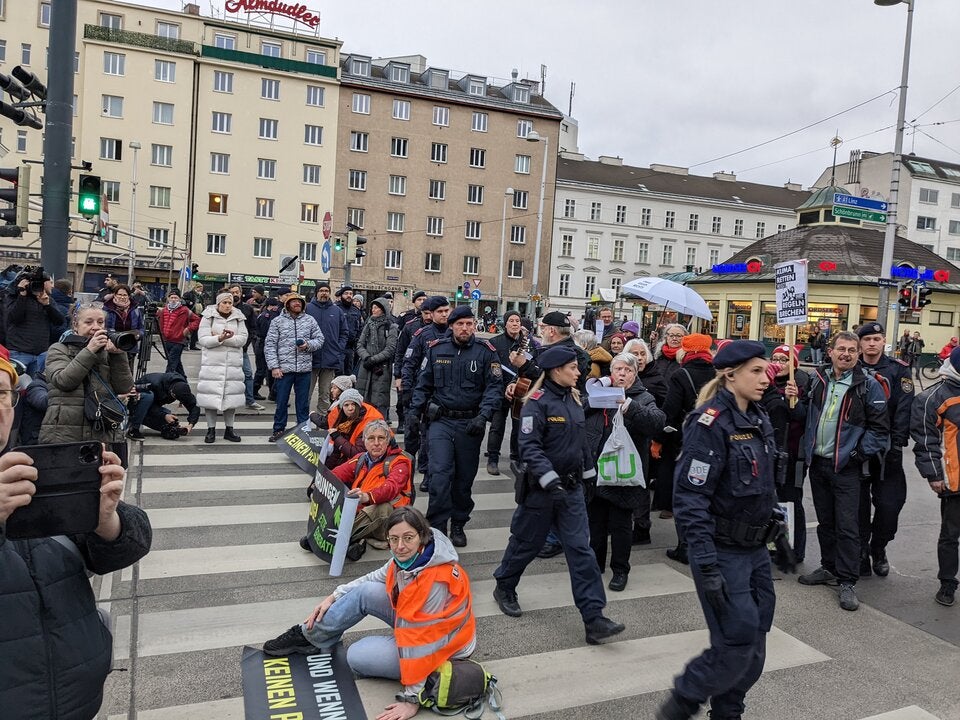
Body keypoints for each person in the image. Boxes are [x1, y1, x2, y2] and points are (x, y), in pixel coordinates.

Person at [0, 345, 152, 720]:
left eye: (1, 393)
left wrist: (104, 519)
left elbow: (120, 549)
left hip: (74, 698)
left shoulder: (21, 467)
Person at [656, 340, 785, 720]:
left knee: (755, 643)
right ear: (730, 374)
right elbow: (690, 500)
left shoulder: (758, 417)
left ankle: (728, 710)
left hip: (756, 550)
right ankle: (682, 702)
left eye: (766, 370)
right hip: (722, 550)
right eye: (756, 371)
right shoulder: (709, 423)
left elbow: (764, 486)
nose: (766, 378)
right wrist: (707, 564)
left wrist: (781, 530)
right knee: (736, 640)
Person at [263, 507, 476, 720]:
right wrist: (334, 596)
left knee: (356, 656)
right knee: (365, 592)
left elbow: (422, 640)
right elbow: (372, 578)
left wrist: (412, 699)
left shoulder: (434, 580)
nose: (400, 546)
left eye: (408, 538)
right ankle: (310, 636)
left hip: (445, 645)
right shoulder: (411, 558)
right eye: (394, 539)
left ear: (422, 536)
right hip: (419, 626)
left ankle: (428, 672)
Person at [491, 345, 626, 645]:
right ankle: (504, 585)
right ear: (556, 371)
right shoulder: (537, 403)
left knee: (582, 552)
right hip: (541, 491)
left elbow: (581, 446)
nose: (579, 372)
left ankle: (594, 619)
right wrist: (550, 480)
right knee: (526, 543)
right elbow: (530, 448)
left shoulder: (573, 400)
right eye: (573, 368)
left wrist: (590, 474)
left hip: (572, 491)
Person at [793, 331, 888, 611]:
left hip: (846, 467)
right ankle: (829, 567)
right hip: (819, 464)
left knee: (848, 527)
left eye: (852, 350)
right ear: (830, 352)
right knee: (826, 522)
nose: (846, 354)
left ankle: (847, 581)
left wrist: (856, 455)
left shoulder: (868, 386)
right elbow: (804, 417)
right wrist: (794, 401)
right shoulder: (817, 380)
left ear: (858, 355)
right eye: (841, 349)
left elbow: (880, 431)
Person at [409, 305, 502, 546]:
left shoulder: (485, 352)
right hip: (441, 422)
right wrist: (415, 411)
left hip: (470, 423)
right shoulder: (436, 349)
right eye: (460, 324)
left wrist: (483, 416)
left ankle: (458, 523)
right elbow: (424, 384)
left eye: (469, 324)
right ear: (451, 326)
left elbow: (494, 387)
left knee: (463, 479)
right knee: (439, 475)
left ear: (474, 326)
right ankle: (437, 527)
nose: (465, 328)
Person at [585, 353, 665, 589]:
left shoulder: (644, 397)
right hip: (597, 470)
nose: (622, 374)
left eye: (627, 370)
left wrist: (630, 407)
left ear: (635, 374)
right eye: (618, 369)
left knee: (620, 526)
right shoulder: (600, 392)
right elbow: (579, 412)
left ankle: (620, 570)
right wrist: (596, 392)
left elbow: (657, 422)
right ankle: (595, 564)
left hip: (623, 473)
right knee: (595, 523)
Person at [40, 303, 136, 454]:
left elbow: (124, 388)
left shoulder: (107, 353)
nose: (96, 327)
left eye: (100, 322)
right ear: (75, 325)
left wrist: (119, 355)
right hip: (65, 432)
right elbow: (63, 381)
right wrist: (90, 350)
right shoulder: (58, 349)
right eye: (88, 322)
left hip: (101, 430)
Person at [857, 322, 914, 577]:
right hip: (856, 449)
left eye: (876, 339)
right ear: (860, 343)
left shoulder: (897, 370)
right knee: (856, 507)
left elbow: (904, 407)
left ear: (883, 342)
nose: (871, 343)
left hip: (887, 450)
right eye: (867, 339)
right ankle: (859, 552)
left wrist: (897, 442)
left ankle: (878, 548)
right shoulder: (851, 367)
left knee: (890, 506)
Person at [911, 346, 960, 607]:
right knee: (950, 536)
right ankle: (948, 582)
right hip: (955, 481)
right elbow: (926, 440)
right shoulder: (935, 396)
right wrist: (933, 475)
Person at [327, 420, 414, 560]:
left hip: (391, 521)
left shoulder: (400, 462)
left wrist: (368, 496)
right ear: (365, 441)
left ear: (388, 441)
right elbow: (336, 475)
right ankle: (358, 540)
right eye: (371, 438)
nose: (376, 443)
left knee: (381, 507)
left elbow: (391, 488)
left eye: (381, 438)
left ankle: (336, 539)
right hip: (363, 514)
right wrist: (319, 484)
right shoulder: (361, 458)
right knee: (336, 496)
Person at [660, 333, 716, 544]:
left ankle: (685, 544)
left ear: (687, 350)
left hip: (684, 435)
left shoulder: (681, 374)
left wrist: (660, 436)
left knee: (685, 487)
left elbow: (670, 410)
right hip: (710, 434)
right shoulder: (717, 373)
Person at [765, 344, 810, 562]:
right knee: (772, 500)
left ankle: (794, 550)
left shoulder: (802, 383)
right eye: (775, 358)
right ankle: (774, 545)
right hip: (771, 453)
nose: (779, 363)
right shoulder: (766, 383)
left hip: (793, 454)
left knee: (791, 501)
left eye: (784, 360)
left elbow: (803, 418)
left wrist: (795, 401)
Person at [402, 296, 451, 493]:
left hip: (441, 396)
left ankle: (428, 474)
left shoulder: (452, 333)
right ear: (431, 313)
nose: (444, 315)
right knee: (412, 434)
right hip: (419, 392)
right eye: (440, 311)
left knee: (431, 438)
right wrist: (405, 389)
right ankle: (407, 473)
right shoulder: (422, 334)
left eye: (447, 311)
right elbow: (409, 363)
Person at [265, 293, 324, 442]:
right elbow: (270, 345)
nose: (297, 304)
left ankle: (303, 431)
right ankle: (278, 430)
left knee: (303, 403)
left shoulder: (310, 320)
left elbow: (320, 339)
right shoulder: (277, 321)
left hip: (304, 370)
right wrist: (274, 366)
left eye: (299, 302)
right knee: (282, 402)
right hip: (284, 370)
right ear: (288, 304)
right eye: (294, 302)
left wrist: (308, 345)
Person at [487, 311, 536, 475]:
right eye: (511, 321)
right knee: (497, 425)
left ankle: (516, 457)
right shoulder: (494, 342)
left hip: (521, 389)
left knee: (518, 426)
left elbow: (531, 363)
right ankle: (493, 458)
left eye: (517, 320)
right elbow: (491, 368)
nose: (515, 323)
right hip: (500, 390)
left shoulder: (528, 343)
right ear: (505, 324)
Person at [196, 292, 248, 444]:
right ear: (218, 304)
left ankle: (229, 430)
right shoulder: (208, 316)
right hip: (212, 364)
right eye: (224, 303)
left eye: (229, 303)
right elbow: (203, 339)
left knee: (230, 399)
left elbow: (242, 339)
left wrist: (224, 338)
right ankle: (210, 430)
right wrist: (220, 338)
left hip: (232, 365)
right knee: (210, 399)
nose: (227, 305)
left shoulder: (239, 317)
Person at [3, 268, 63, 376]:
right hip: (19, 353)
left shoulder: (47, 300)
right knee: (17, 387)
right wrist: (22, 295)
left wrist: (47, 305)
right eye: (51, 282)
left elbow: (59, 321)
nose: (52, 286)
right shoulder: (15, 297)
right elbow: (14, 318)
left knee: (36, 388)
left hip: (41, 354)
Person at [306, 281, 348, 415]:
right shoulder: (307, 309)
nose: (324, 293)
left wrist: (338, 348)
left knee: (325, 394)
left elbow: (344, 332)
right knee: (306, 393)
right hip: (309, 358)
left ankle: (323, 422)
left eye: (326, 291)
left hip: (330, 359)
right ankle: (303, 422)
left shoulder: (337, 311)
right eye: (321, 291)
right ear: (316, 293)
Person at [356, 297, 398, 421]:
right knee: (363, 398)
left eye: (377, 308)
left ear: (383, 309)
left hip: (382, 368)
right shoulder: (368, 324)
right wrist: (366, 357)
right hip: (366, 367)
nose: (374, 310)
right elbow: (360, 344)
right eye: (372, 307)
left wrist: (373, 360)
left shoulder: (391, 326)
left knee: (379, 400)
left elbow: (390, 349)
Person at [322, 388, 384, 470]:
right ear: (342, 407)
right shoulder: (345, 421)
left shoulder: (368, 423)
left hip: (371, 464)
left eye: (353, 404)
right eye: (346, 405)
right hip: (356, 461)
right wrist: (325, 470)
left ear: (359, 405)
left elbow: (358, 454)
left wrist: (337, 437)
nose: (350, 408)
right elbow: (337, 452)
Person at [127, 371, 200, 440]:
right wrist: (164, 415)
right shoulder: (155, 384)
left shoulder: (182, 388)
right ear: (172, 393)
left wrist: (191, 424)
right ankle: (133, 428)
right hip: (136, 402)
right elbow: (147, 405)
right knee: (149, 397)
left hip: (153, 405)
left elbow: (194, 406)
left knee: (169, 424)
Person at [227, 283, 265, 412]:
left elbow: (253, 328)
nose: (235, 294)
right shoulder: (224, 308)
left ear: (241, 293)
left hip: (242, 348)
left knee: (248, 374)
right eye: (232, 292)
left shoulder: (247, 309)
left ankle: (250, 400)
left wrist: (247, 341)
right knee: (226, 375)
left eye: (237, 292)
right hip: (225, 348)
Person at [156, 289, 200, 378]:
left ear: (179, 299)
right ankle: (183, 380)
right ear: (168, 299)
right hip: (166, 340)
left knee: (171, 364)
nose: (173, 300)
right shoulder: (164, 310)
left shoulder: (185, 310)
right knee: (176, 363)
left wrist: (188, 329)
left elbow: (197, 320)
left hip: (178, 341)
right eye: (171, 297)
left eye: (175, 298)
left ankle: (166, 381)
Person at [103, 284, 144, 372]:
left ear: (129, 296)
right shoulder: (107, 308)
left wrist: (138, 334)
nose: (122, 297)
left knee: (127, 375)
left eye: (125, 295)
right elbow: (103, 327)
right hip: (112, 347)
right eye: (120, 294)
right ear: (115, 295)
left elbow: (141, 328)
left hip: (130, 347)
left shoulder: (135, 309)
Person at [253, 296, 281, 401]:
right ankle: (254, 391)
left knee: (269, 371)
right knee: (262, 370)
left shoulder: (265, 314)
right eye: (275, 306)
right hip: (263, 344)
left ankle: (272, 393)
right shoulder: (266, 316)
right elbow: (266, 332)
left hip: (263, 344)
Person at [625, 338, 667, 407]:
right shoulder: (621, 376)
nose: (640, 358)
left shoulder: (657, 379)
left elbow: (665, 406)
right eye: (635, 354)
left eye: (643, 354)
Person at [336, 284, 363, 374]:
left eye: (351, 294)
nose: (349, 295)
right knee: (338, 372)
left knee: (349, 372)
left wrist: (357, 340)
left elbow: (360, 327)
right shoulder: (336, 308)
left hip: (350, 347)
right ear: (341, 295)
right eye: (346, 293)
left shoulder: (355, 310)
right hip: (338, 346)